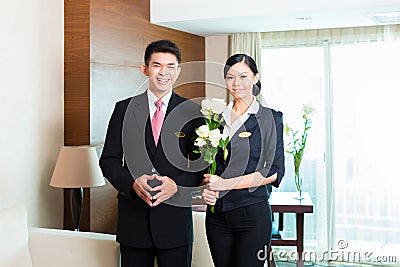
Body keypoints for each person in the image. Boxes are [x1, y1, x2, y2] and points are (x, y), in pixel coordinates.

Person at [99, 40, 204, 267]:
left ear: (178, 71)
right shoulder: (123, 109)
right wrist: (131, 184)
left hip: (175, 224)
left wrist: (177, 185)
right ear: (145, 69)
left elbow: (201, 165)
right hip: (133, 223)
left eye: (170, 66)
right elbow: (109, 160)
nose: (163, 72)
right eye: (157, 65)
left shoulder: (192, 111)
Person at [201, 54, 285, 267]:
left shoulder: (270, 118)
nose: (236, 83)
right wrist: (208, 187)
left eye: (243, 76)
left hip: (252, 214)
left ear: (255, 78)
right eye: (230, 77)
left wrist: (224, 184)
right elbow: (207, 164)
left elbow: (273, 170)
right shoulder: (215, 119)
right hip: (217, 216)